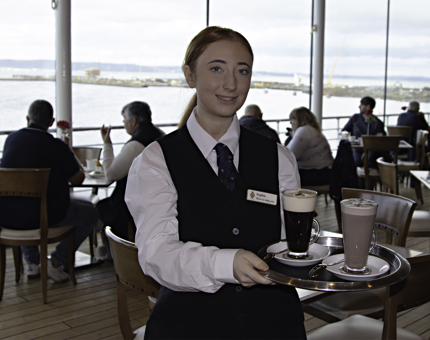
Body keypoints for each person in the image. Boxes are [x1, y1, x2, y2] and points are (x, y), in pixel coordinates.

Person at [125, 26, 306, 339]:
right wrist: (227, 264)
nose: (231, 83)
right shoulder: (155, 160)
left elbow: (287, 244)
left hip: (274, 322)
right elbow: (156, 253)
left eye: (242, 71)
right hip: (187, 325)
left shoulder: (279, 157)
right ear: (190, 76)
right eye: (217, 68)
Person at [0, 100, 98, 283]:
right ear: (52, 122)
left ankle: (31, 262)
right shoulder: (56, 146)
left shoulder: (10, 139)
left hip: (7, 216)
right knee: (91, 213)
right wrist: (69, 150)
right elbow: (78, 179)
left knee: (24, 205)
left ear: (28, 118)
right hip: (45, 217)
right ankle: (56, 262)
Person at [96, 101, 165, 257]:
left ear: (133, 121)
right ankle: (110, 250)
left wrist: (107, 143)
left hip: (133, 204)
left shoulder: (136, 144)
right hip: (157, 198)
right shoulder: (161, 135)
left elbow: (111, 174)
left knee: (99, 208)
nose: (124, 124)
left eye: (124, 120)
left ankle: (111, 252)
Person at [287, 107, 333, 186]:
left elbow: (291, 155)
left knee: (282, 177)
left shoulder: (305, 130)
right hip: (326, 172)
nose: (290, 123)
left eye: (293, 119)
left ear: (300, 119)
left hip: (318, 174)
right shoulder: (312, 130)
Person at [342, 96, 386, 166]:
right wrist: (351, 143)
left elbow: (380, 139)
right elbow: (344, 131)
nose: (359, 106)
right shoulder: (355, 118)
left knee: (364, 161)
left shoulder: (377, 123)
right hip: (356, 149)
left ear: (368, 106)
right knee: (356, 160)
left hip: (372, 151)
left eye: (361, 104)